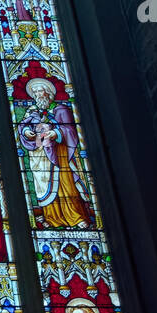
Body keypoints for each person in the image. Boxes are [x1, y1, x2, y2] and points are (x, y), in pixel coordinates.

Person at [18, 76, 92, 228]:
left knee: (65, 184)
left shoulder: (61, 110)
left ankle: (75, 217)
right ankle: (51, 218)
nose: (38, 95)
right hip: (40, 155)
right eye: (35, 92)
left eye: (40, 91)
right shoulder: (32, 111)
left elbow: (71, 130)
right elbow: (23, 126)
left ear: (48, 93)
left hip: (60, 154)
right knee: (45, 184)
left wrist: (56, 133)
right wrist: (26, 132)